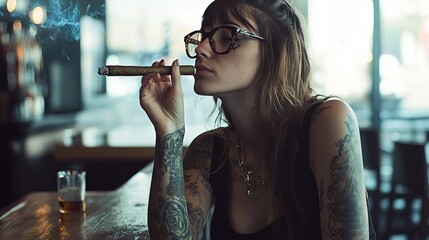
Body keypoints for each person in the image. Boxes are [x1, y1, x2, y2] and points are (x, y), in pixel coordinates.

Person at [140, 0, 376, 239]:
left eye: (227, 37)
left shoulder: (328, 122)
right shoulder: (208, 152)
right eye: (204, 35)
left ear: (275, 52)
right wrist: (168, 133)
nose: (201, 48)